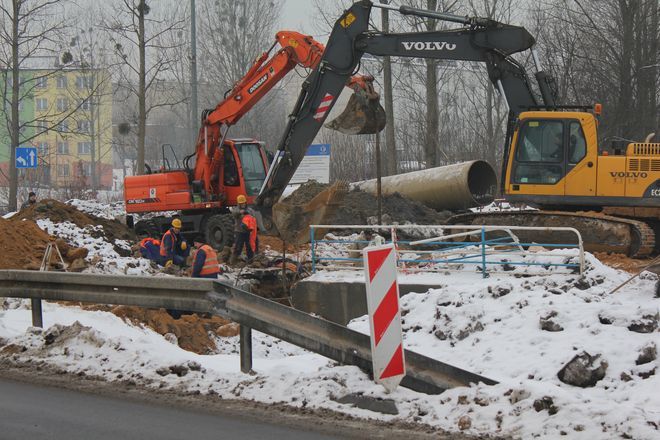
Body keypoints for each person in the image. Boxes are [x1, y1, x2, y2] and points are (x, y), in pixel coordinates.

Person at [231, 195, 257, 263]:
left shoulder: (250, 210)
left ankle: (251, 260)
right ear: (238, 203)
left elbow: (253, 218)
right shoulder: (236, 209)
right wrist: (240, 212)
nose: (243, 204)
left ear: (245, 202)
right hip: (239, 231)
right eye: (241, 203)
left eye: (244, 203)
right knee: (238, 246)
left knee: (249, 247)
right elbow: (234, 213)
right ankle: (233, 261)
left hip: (248, 232)